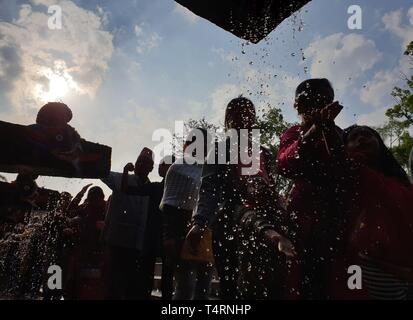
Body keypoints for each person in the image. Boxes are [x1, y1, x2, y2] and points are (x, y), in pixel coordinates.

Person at [187, 97, 294, 299]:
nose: (243, 118)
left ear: (253, 119)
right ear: (228, 120)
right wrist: (200, 221)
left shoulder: (264, 153)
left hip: (264, 224)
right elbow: (209, 187)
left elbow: (270, 187)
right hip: (229, 223)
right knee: (231, 285)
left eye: (247, 113)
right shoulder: (219, 149)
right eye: (236, 114)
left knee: (263, 283)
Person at [276, 78, 351, 299]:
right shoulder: (293, 134)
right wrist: (316, 129)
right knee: (301, 282)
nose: (317, 107)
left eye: (324, 100)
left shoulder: (341, 134)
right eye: (310, 101)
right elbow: (284, 164)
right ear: (297, 106)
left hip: (338, 221)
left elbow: (344, 170)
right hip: (300, 222)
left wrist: (325, 128)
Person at [343, 125, 413, 300]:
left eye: (367, 134)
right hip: (370, 266)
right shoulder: (350, 175)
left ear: (379, 143)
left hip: (406, 270)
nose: (361, 139)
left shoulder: (399, 181)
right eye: (354, 137)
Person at [158, 129, 213, 300]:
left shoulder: (209, 168)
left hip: (206, 230)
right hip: (181, 230)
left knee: (204, 286)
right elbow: (170, 205)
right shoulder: (177, 168)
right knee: (185, 286)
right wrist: (170, 237)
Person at [100, 147, 154, 299]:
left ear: (151, 168)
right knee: (113, 284)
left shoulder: (152, 188)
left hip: (138, 246)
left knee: (131, 286)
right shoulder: (121, 179)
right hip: (118, 242)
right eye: (139, 161)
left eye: (145, 162)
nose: (141, 165)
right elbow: (101, 172)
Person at [122, 154, 175, 300]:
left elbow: (126, 189)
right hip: (171, 236)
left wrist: (126, 171)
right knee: (167, 279)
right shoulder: (177, 189)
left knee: (146, 276)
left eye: (162, 165)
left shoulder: (156, 188)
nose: (159, 166)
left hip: (152, 237)